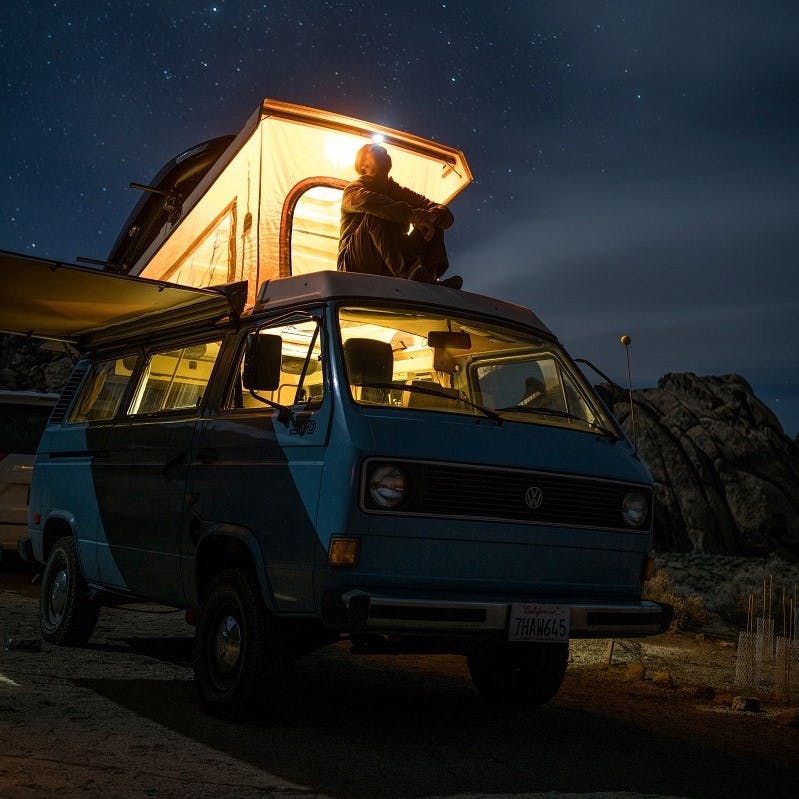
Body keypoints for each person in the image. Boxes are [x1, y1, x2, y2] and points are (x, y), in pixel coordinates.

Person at [338, 143, 463, 288]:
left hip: (390, 262)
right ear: (363, 164)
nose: (384, 150)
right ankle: (407, 276)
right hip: (354, 266)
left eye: (384, 149)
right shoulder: (353, 190)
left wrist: (431, 217)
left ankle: (430, 279)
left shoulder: (399, 192)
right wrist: (413, 215)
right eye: (376, 149)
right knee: (379, 212)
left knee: (433, 221)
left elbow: (446, 215)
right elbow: (370, 202)